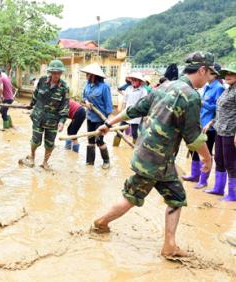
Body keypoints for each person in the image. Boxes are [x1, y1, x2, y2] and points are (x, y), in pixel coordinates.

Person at [92, 51, 216, 258]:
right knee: (132, 197)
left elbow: (135, 110)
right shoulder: (191, 95)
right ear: (202, 70)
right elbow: (193, 136)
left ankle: (169, 245)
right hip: (158, 161)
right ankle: (101, 222)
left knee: (175, 198)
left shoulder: (165, 86)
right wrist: (207, 158)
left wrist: (108, 123)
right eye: (210, 73)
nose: (209, 78)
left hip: (146, 155)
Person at [19, 59, 69, 170]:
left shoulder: (64, 87)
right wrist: (30, 105)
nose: (56, 75)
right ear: (50, 72)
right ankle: (32, 157)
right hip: (38, 118)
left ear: (61, 73)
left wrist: (62, 122)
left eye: (58, 72)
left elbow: (65, 106)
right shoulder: (42, 81)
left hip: (52, 121)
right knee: (35, 141)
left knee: (50, 143)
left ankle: (45, 163)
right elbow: (35, 95)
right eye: (54, 72)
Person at [182, 63, 224, 188]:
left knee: (207, 151)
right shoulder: (206, 87)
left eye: (210, 73)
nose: (207, 75)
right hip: (200, 122)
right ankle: (195, 175)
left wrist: (203, 103)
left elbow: (219, 108)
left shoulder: (218, 88)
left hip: (209, 126)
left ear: (215, 75)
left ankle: (203, 179)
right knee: (195, 150)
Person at [204, 63, 236, 201]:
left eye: (231, 73)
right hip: (220, 129)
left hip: (230, 131)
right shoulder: (227, 90)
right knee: (219, 159)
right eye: (226, 74)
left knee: (231, 162)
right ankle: (218, 188)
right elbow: (220, 110)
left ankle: (233, 194)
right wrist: (211, 122)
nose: (228, 76)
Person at [82, 63, 113, 169]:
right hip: (90, 116)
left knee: (99, 140)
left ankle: (106, 161)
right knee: (90, 140)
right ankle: (90, 162)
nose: (86, 75)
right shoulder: (87, 84)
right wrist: (86, 102)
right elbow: (84, 97)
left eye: (88, 74)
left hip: (100, 118)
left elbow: (109, 105)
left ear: (94, 75)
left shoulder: (104, 87)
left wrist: (108, 121)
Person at [113, 72, 147, 147]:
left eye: (135, 80)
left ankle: (135, 148)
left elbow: (143, 103)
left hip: (136, 114)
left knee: (134, 132)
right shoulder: (128, 89)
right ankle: (115, 146)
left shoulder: (143, 91)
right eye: (132, 80)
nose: (133, 81)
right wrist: (121, 111)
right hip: (126, 112)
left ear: (140, 82)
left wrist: (144, 116)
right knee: (119, 130)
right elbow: (125, 100)